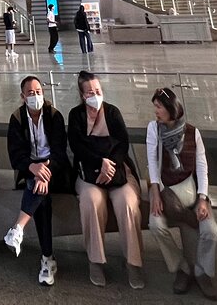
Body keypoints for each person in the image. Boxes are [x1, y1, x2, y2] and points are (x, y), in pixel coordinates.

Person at [68, 71, 144, 289]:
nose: (95, 95)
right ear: (82, 95)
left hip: (118, 171)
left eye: (98, 91)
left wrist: (110, 165)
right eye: (90, 92)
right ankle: (95, 260)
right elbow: (77, 146)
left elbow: (123, 143)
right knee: (91, 202)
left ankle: (133, 262)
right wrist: (98, 163)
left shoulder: (112, 112)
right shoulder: (76, 115)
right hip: (89, 172)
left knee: (127, 203)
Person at [147, 87, 217, 299]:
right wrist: (155, 193)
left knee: (211, 232)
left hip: (192, 193)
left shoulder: (192, 133)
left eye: (159, 107)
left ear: (171, 108)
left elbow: (202, 167)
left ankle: (202, 271)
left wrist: (203, 199)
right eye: (155, 107)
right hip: (166, 192)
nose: (156, 111)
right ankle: (182, 267)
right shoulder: (154, 129)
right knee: (156, 225)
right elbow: (152, 162)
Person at [4, 75, 71, 286]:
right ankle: (47, 259)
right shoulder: (17, 118)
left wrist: (45, 171)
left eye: (38, 92)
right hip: (30, 169)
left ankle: (18, 229)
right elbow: (15, 155)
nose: (35, 96)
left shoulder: (54, 116)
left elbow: (60, 152)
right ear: (23, 96)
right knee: (41, 197)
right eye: (31, 93)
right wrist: (33, 168)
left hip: (55, 169)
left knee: (39, 189)